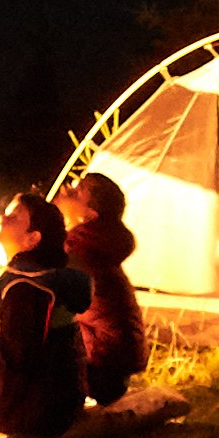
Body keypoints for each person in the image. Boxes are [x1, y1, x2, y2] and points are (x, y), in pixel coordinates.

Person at [0, 186, 91, 438]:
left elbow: (20, 359)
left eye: (14, 217)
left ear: (33, 239)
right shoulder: (29, 278)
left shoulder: (25, 288)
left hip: (36, 411)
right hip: (54, 404)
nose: (1, 218)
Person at [58, 169, 146, 407]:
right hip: (113, 363)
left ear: (89, 216)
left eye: (77, 192)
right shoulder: (93, 248)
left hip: (100, 368)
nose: (65, 190)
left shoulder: (79, 252)